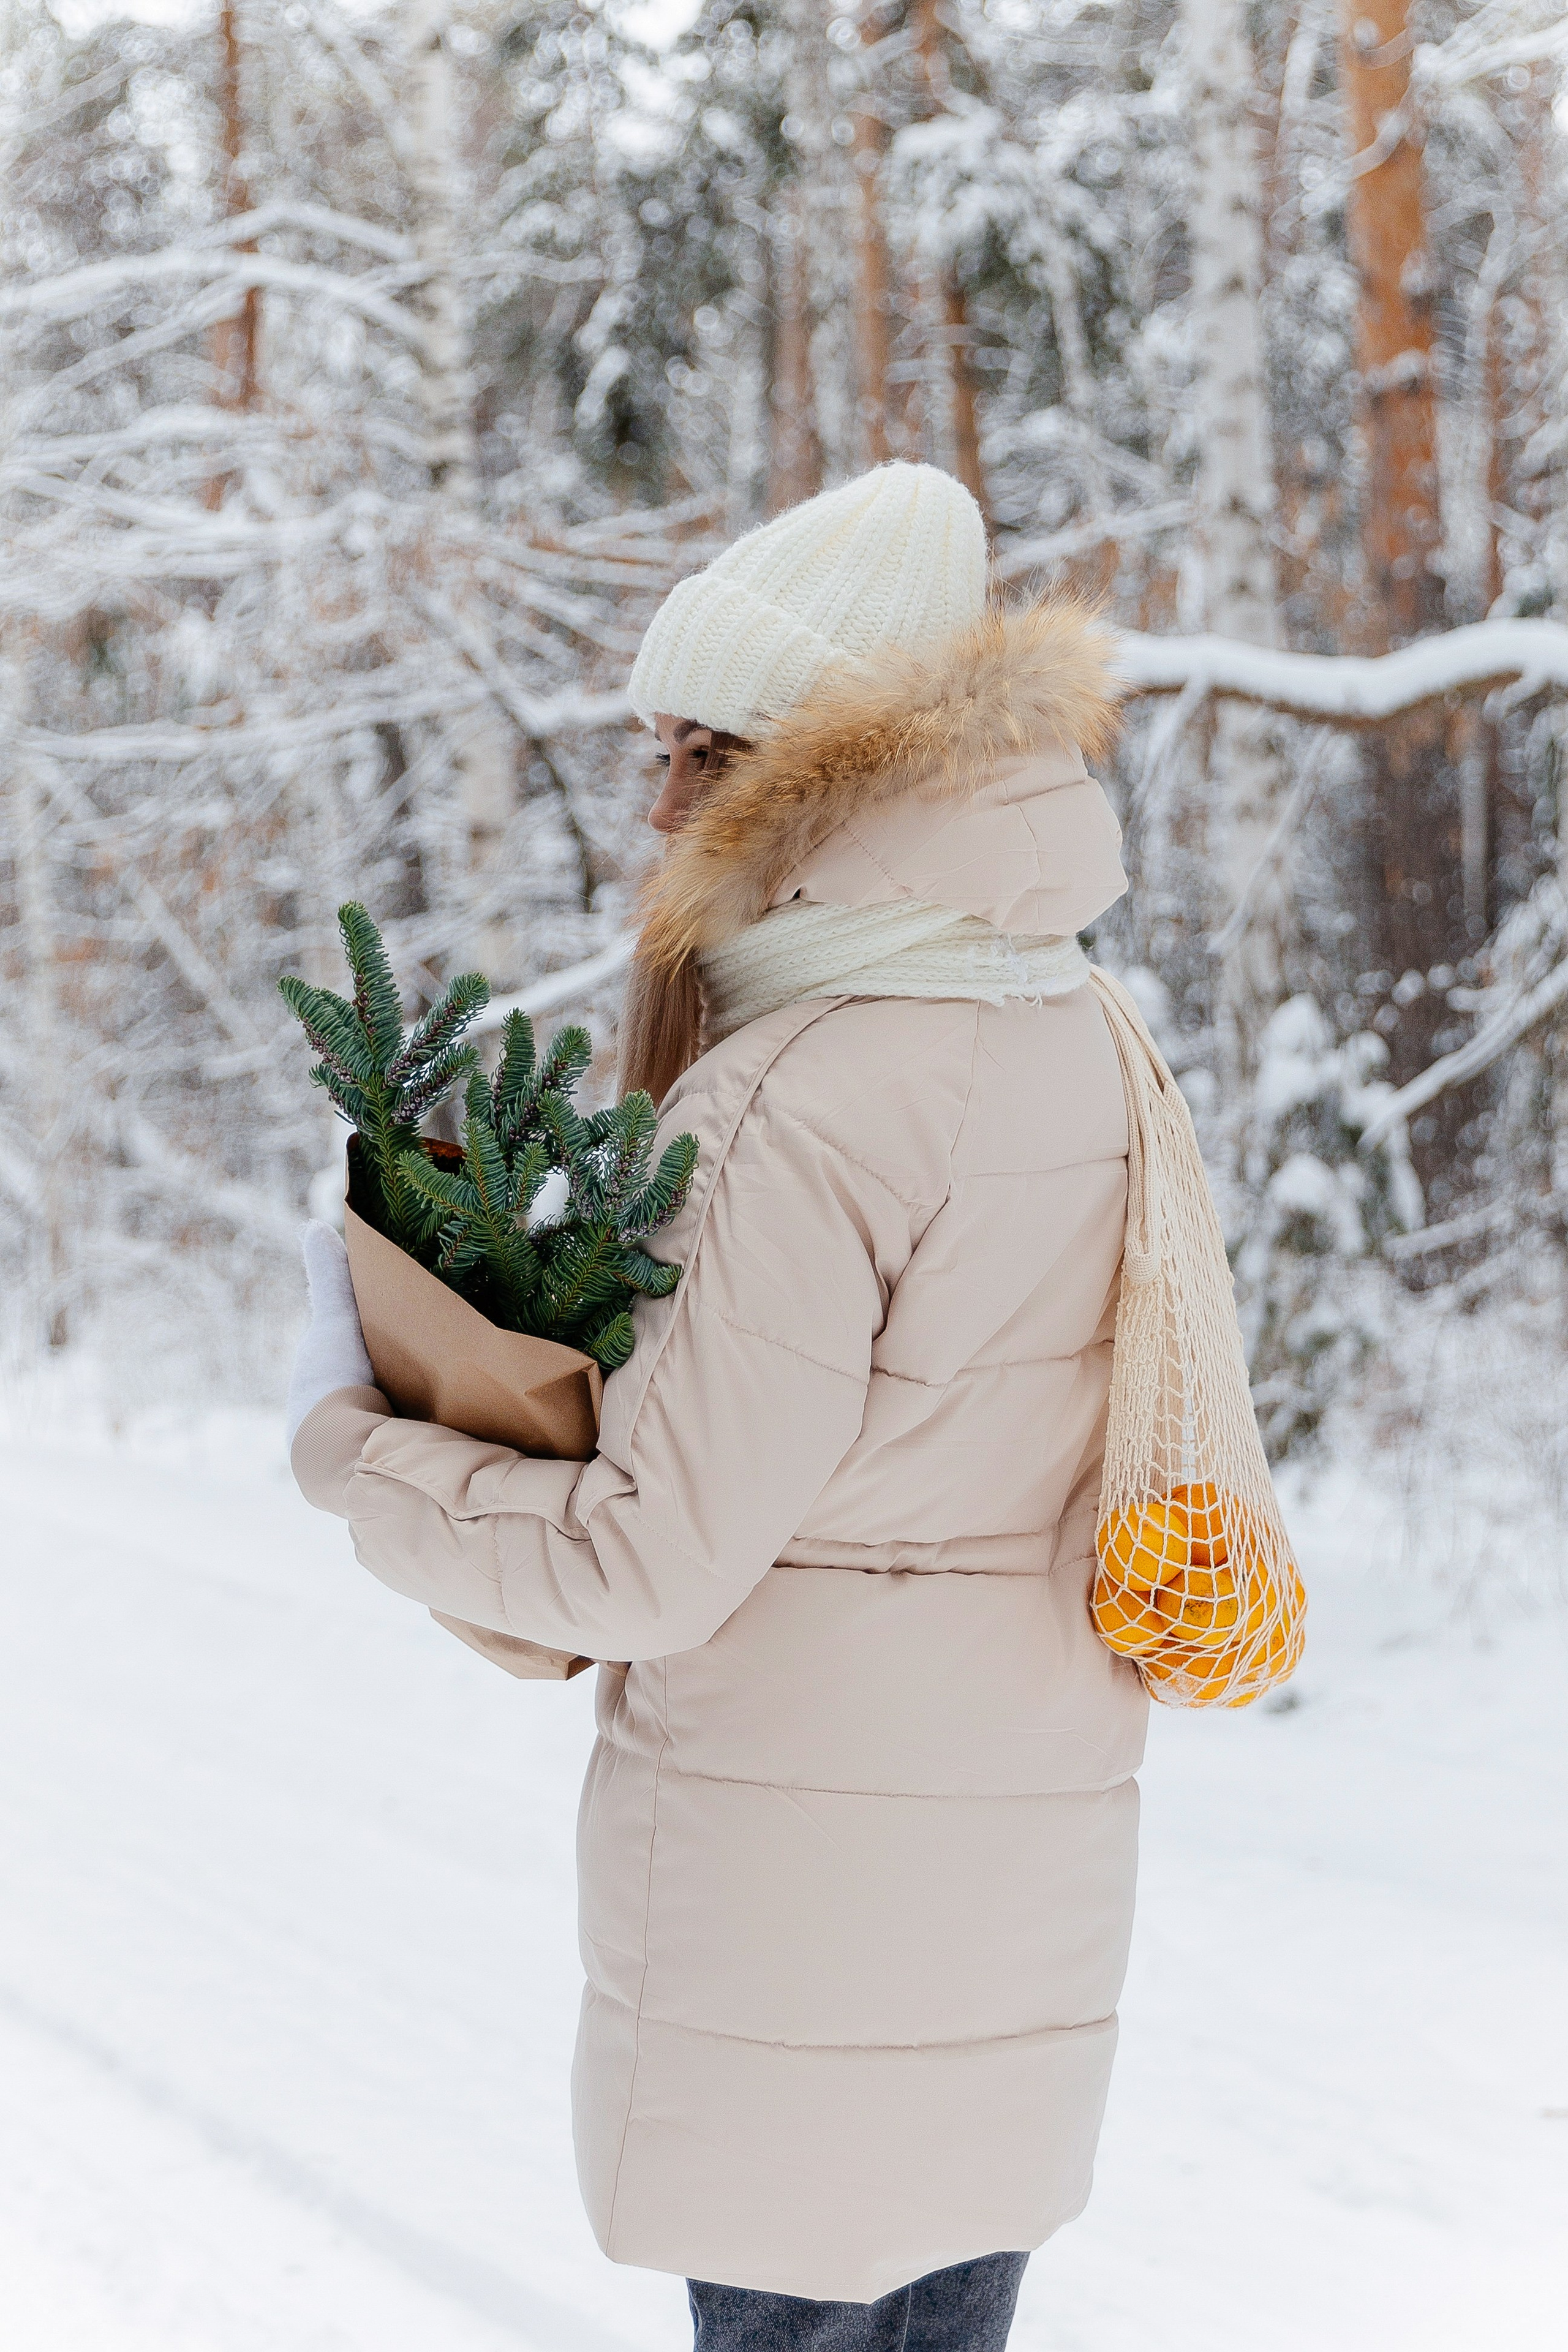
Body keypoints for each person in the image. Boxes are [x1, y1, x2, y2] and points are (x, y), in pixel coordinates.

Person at [288, 462, 1144, 2352]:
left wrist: (357, 1439)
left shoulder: (795, 1097)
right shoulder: (1083, 1031)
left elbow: (654, 1567)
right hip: (1014, 1875)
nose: (656, 801)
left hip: (797, 1927)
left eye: (699, 752)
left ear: (824, 779)